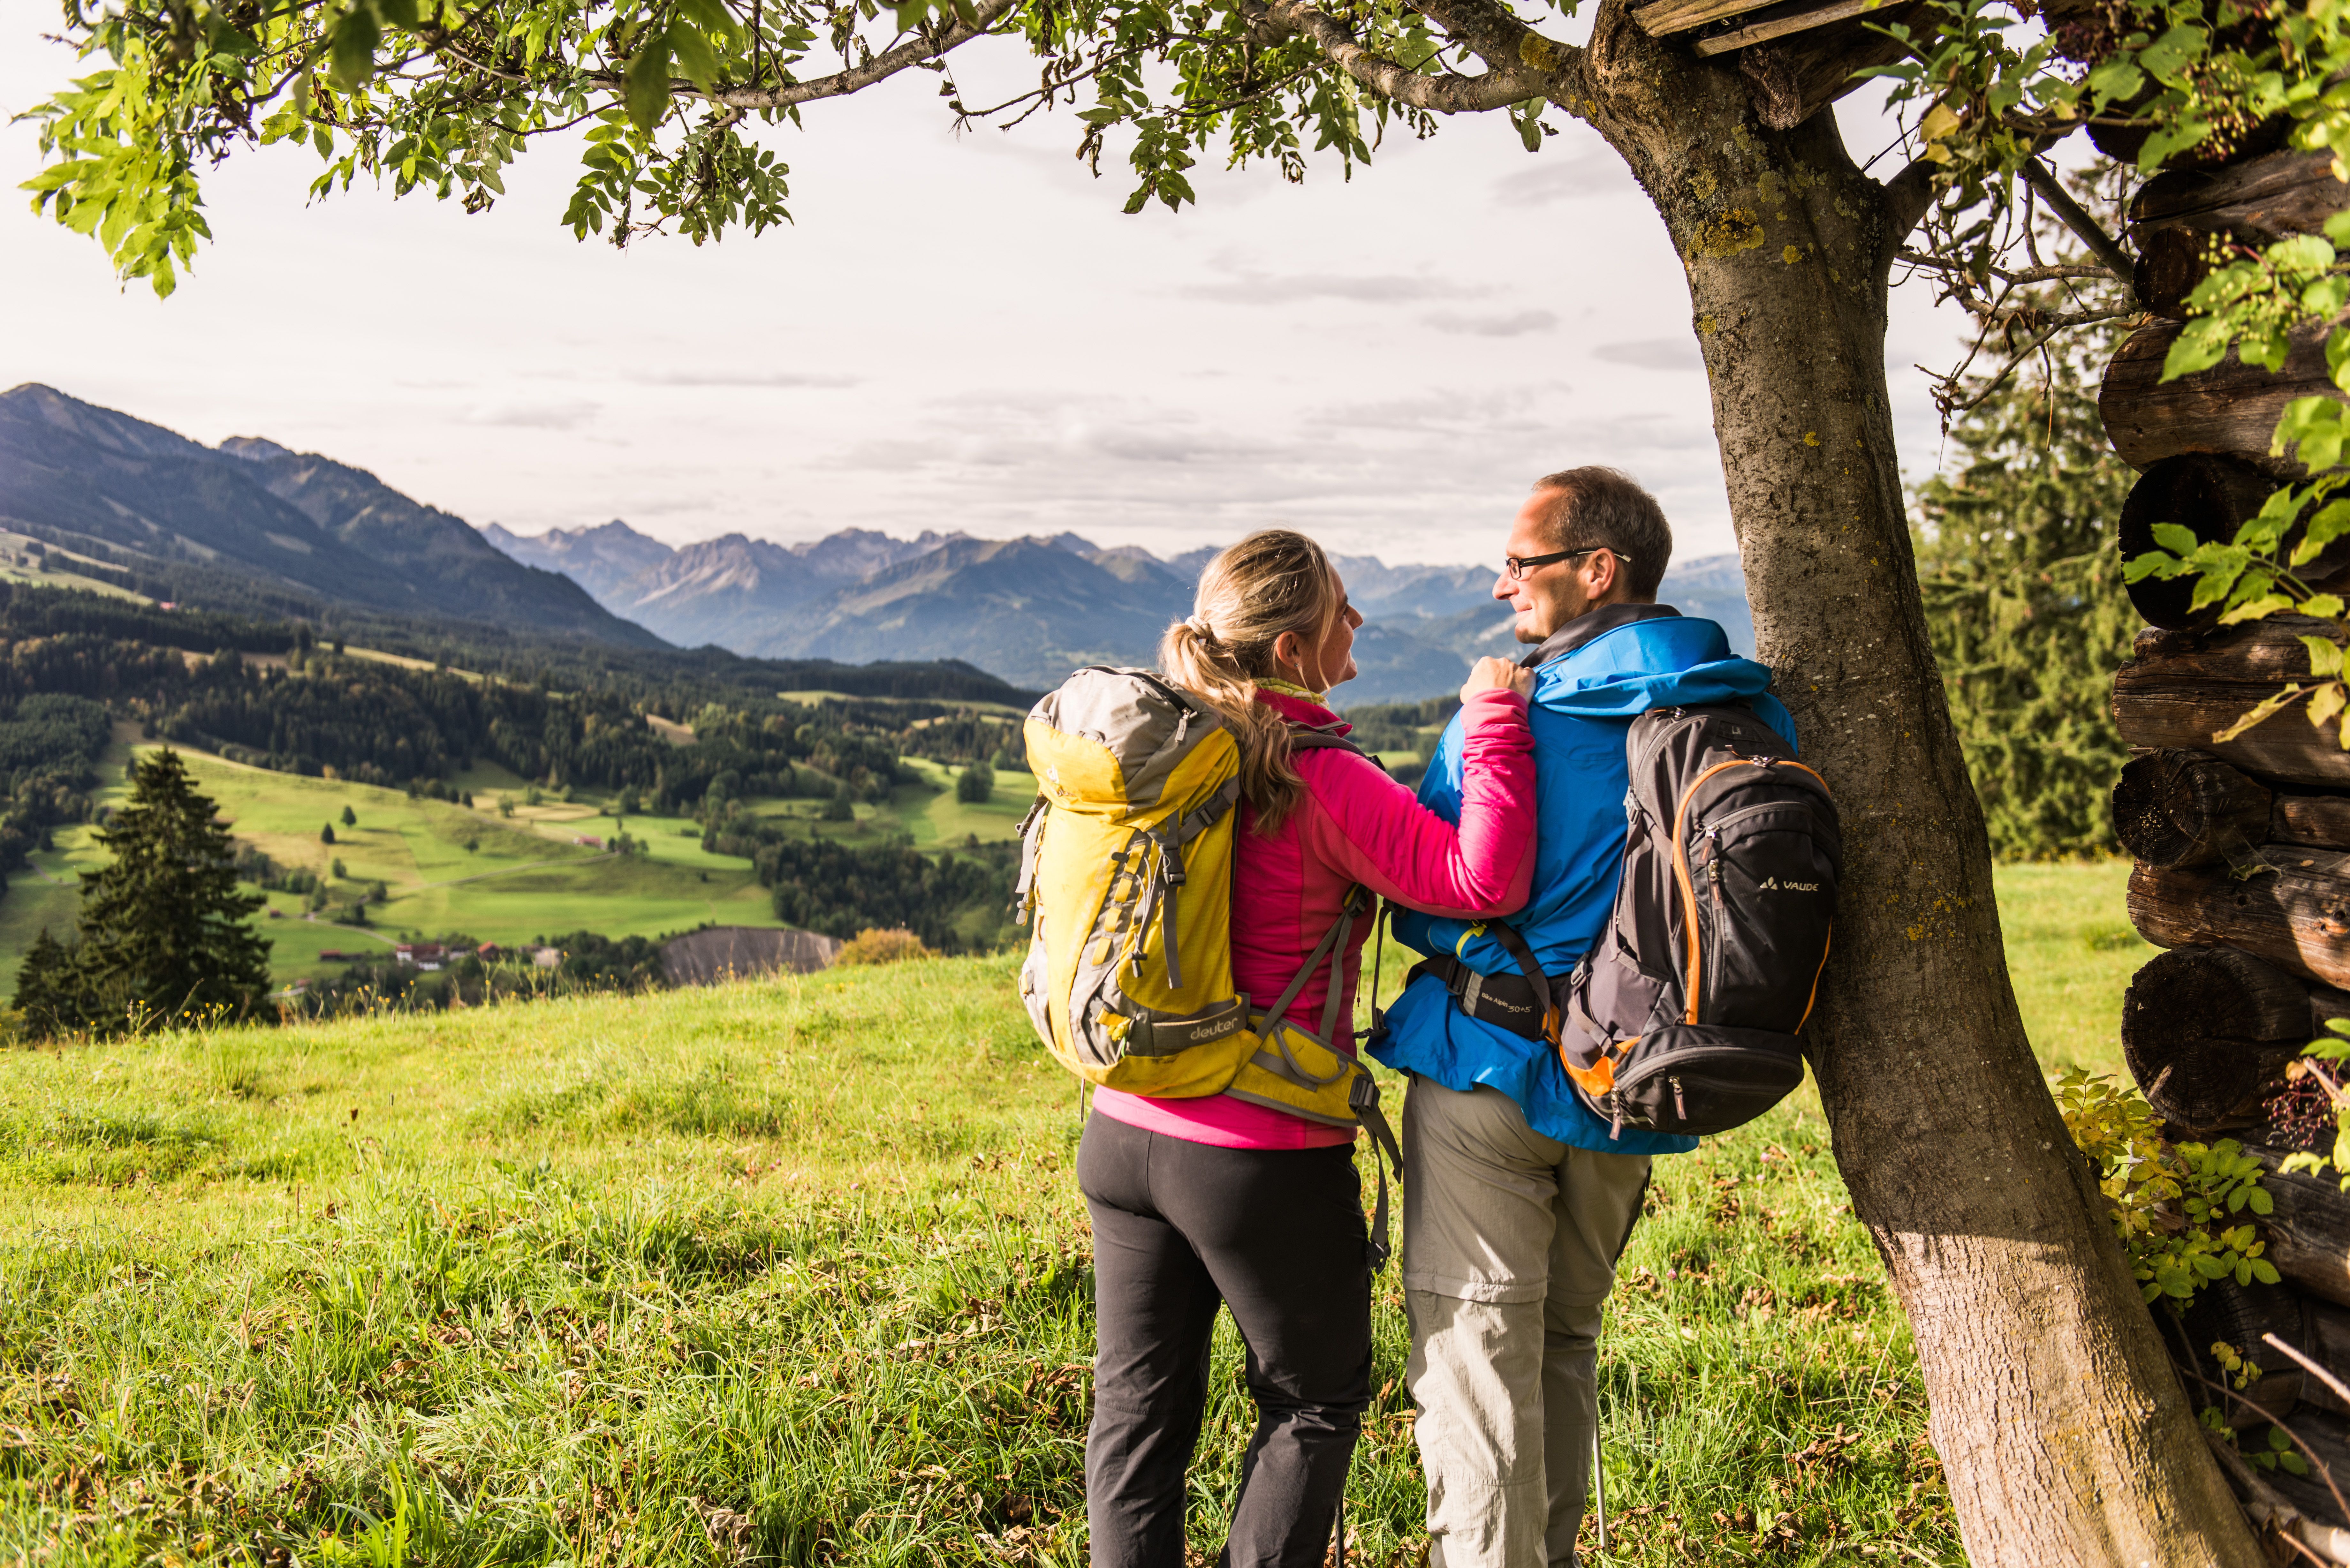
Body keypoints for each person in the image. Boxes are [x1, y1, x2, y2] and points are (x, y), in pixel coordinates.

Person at [1080, 528, 1540, 1568]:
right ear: (1293, 651)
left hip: (1122, 1131)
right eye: (1342, 606)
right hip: (1257, 1151)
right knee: (1313, 1402)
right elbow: (1482, 882)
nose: (1361, 621)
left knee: (1137, 1419)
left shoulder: (1164, 756)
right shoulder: (1317, 775)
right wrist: (1495, 717)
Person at [1370, 468, 1796, 1567]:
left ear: (1598, 571)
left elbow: (1437, 879)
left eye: (1523, 563)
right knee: (1563, 1342)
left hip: (1491, 1064)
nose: (1503, 583)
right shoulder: (1736, 699)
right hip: (1636, 1077)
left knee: (1477, 1366)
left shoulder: (1521, 711)